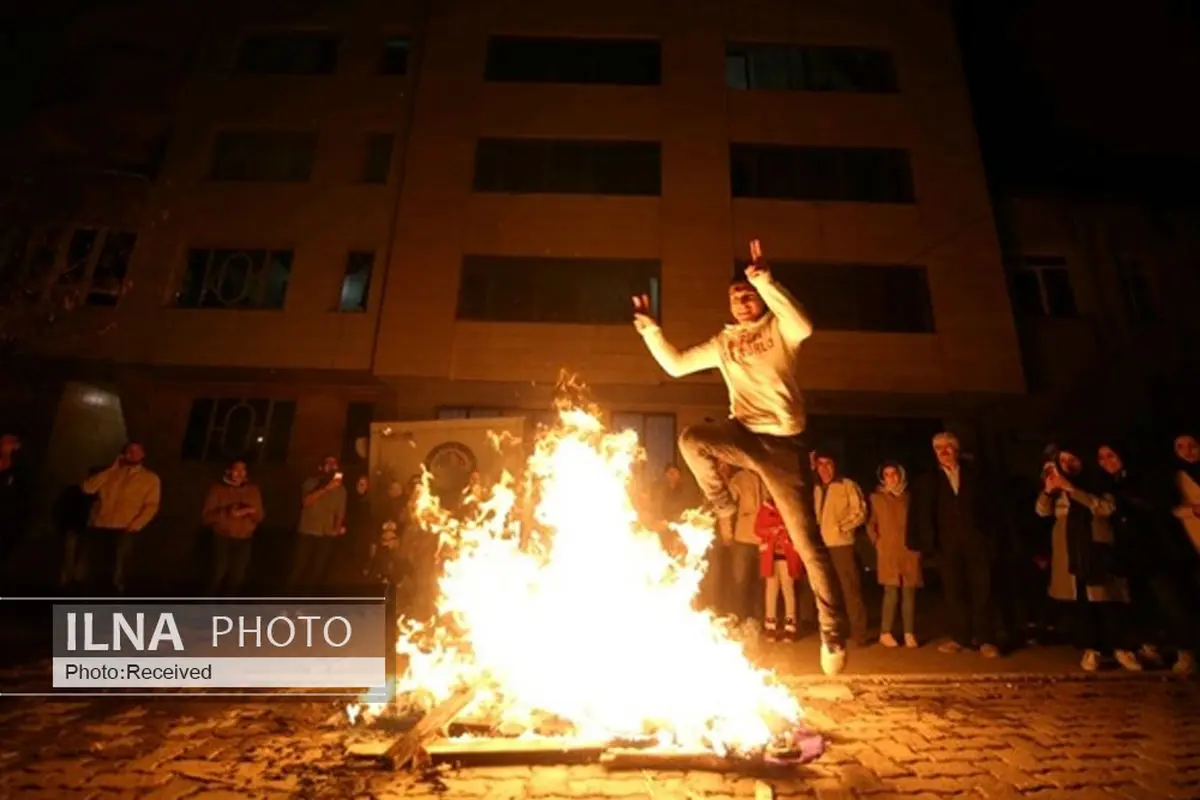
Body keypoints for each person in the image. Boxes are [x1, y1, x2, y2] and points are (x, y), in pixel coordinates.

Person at [632, 238, 848, 675]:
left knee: (808, 544)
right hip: (741, 433)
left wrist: (765, 281)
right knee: (691, 438)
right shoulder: (722, 343)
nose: (742, 302)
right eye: (735, 297)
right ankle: (723, 502)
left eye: (747, 296)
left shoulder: (779, 330)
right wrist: (651, 331)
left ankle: (832, 632)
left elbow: (804, 324)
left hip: (783, 445)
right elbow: (675, 366)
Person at [1037, 443, 1141, 672]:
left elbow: (1105, 508)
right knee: (1081, 603)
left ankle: (1120, 648)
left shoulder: (1097, 483)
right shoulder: (1057, 488)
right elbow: (1042, 511)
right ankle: (1091, 649)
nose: (1068, 465)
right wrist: (1048, 491)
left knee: (1106, 599)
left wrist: (1072, 489)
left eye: (1072, 460)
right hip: (1070, 552)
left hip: (1096, 548)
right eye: (1063, 461)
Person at [1097, 442, 1195, 675]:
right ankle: (1156, 646)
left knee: (1171, 601)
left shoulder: (1141, 479)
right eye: (1101, 458)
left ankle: (1187, 650)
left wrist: (1125, 496)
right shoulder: (1107, 484)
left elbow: (1155, 506)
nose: (1106, 461)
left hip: (1156, 550)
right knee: (1145, 603)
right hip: (1131, 554)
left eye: (1111, 455)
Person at [908, 432, 1000, 658]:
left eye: (948, 447)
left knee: (982, 589)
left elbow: (992, 507)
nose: (943, 451)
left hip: (976, 541)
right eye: (938, 447)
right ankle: (960, 637)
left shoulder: (976, 475)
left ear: (957, 450)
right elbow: (918, 511)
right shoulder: (928, 479)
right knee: (953, 591)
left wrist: (991, 537)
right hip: (947, 544)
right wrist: (921, 543)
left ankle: (986, 639)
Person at [80, 442, 161, 593]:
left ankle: (113, 604)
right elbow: (87, 488)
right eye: (129, 450)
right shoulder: (110, 474)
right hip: (99, 526)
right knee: (93, 569)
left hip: (124, 528)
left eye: (136, 451)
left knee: (117, 571)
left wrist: (136, 525)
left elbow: (151, 505)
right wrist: (112, 469)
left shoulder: (149, 478)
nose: (131, 453)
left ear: (143, 455)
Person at [810, 453, 869, 645]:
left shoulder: (846, 485)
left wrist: (841, 527)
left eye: (829, 464)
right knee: (829, 591)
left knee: (850, 589)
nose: (824, 468)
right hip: (821, 546)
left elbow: (860, 511)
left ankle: (859, 633)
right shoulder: (817, 488)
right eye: (820, 464)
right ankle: (837, 631)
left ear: (835, 466)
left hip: (842, 545)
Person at [868, 461, 922, 648]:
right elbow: (871, 524)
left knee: (909, 592)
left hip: (909, 550)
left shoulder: (909, 498)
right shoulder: (877, 498)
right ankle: (886, 632)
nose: (891, 478)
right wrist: (878, 542)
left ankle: (909, 632)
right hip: (888, 551)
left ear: (901, 475)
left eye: (894, 474)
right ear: (882, 478)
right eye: (887, 474)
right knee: (891, 592)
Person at [202, 460, 264, 596]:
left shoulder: (253, 491)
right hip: (222, 537)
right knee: (216, 574)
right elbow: (207, 517)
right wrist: (228, 512)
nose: (240, 474)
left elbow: (260, 516)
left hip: (244, 539)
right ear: (229, 471)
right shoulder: (218, 490)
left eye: (243, 470)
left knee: (237, 576)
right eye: (237, 470)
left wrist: (250, 513)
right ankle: (206, 607)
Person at [289, 456, 347, 590]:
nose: (332, 465)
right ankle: (288, 597)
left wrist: (337, 529)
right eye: (328, 462)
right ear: (322, 466)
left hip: (326, 534)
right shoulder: (311, 482)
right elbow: (306, 502)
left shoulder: (341, 490)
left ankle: (307, 599)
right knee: (298, 567)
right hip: (307, 532)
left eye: (334, 463)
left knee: (317, 570)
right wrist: (327, 488)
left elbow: (340, 512)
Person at [755, 496, 802, 641]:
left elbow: (796, 526)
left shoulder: (790, 503)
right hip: (771, 555)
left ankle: (790, 626)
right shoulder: (766, 507)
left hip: (787, 555)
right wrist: (774, 531)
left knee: (788, 589)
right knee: (771, 589)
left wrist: (784, 532)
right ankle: (770, 625)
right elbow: (758, 528)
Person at [1170, 434, 1200, 557]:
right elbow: (1174, 508)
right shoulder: (1177, 478)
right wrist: (1194, 510)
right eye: (1180, 447)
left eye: (1192, 445)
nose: (1187, 451)